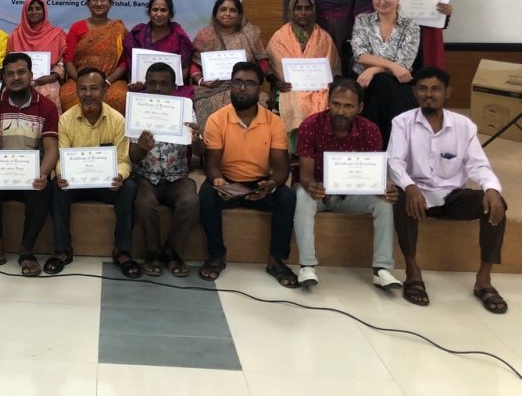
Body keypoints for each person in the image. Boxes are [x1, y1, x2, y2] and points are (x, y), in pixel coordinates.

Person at [388, 67, 508, 313]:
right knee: (400, 199)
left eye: (435, 89)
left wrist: (492, 189)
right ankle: (412, 271)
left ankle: (484, 279)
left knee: (497, 205)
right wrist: (409, 186)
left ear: (447, 92)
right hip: (417, 196)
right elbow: (394, 162)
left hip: (452, 196)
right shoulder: (402, 122)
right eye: (422, 88)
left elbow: (478, 165)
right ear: (414, 92)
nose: (428, 94)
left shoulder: (464, 126)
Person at [294, 78, 401, 290]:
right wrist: (310, 185)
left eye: (348, 106)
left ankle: (382, 269)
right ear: (328, 102)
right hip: (319, 191)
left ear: (360, 107)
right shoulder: (310, 125)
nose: (341, 111)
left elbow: (373, 173)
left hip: (352, 195)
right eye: (336, 104)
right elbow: (305, 174)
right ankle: (307, 266)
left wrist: (384, 186)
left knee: (384, 202)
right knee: (302, 196)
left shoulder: (370, 130)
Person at [198, 62, 298, 287]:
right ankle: (216, 255)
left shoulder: (274, 122)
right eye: (237, 82)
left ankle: (276, 259)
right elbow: (211, 164)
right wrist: (218, 182)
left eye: (250, 83)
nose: (242, 88)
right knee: (205, 194)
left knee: (287, 197)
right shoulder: (217, 119)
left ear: (260, 89)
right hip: (227, 183)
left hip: (259, 184)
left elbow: (282, 168)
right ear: (231, 85)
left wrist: (271, 185)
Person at [46, 67, 139, 278]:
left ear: (104, 91)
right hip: (75, 183)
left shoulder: (117, 120)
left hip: (106, 184)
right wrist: (61, 175)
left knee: (130, 186)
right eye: (83, 89)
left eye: (94, 88)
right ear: (76, 92)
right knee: (55, 187)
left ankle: (122, 251)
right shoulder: (65, 120)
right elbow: (60, 157)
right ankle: (62, 250)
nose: (88, 94)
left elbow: (124, 161)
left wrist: (119, 176)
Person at [0, 52, 59, 276]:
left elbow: (51, 150)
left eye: (21, 72)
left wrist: (42, 174)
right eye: (10, 74)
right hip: (0, 176)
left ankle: (26, 251)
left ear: (31, 75)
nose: (16, 78)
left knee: (42, 191)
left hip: (31, 176)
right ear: (4, 77)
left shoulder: (47, 107)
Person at [129, 62, 198, 278]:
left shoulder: (185, 110)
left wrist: (197, 139)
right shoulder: (136, 109)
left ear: (173, 87)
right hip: (144, 177)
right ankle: (152, 253)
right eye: (152, 83)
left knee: (190, 201)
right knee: (144, 202)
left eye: (163, 84)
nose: (157, 88)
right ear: (145, 85)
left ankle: (172, 253)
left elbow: (200, 151)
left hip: (177, 177)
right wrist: (141, 148)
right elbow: (132, 156)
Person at [351, 0, 420, 147]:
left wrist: (374, 69)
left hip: (396, 82)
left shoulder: (411, 25)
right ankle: (388, 147)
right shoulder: (362, 20)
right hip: (363, 82)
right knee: (382, 86)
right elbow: (360, 55)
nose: (381, 2)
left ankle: (377, 147)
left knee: (383, 84)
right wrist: (390, 66)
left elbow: (404, 64)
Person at [267, 0, 341, 151]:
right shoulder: (280, 37)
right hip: (289, 88)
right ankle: (296, 151)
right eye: (298, 8)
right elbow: (271, 68)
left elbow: (333, 67)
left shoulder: (323, 37)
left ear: (313, 11)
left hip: (319, 88)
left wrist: (329, 82)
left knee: (324, 100)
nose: (303, 12)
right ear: (291, 11)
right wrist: (278, 82)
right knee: (294, 100)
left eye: (307, 8)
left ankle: (317, 150)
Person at [190, 0, 269, 134]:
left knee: (261, 100)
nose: (227, 13)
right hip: (212, 88)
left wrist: (253, 81)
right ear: (215, 14)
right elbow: (195, 64)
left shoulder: (249, 34)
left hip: (244, 86)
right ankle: (211, 147)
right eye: (223, 9)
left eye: (233, 10)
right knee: (203, 104)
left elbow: (262, 60)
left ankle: (247, 144)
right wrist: (202, 82)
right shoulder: (205, 35)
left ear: (239, 15)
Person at [59, 0, 128, 114]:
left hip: (110, 80)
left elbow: (123, 63)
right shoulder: (77, 27)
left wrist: (108, 81)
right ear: (88, 4)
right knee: (68, 97)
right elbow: (68, 60)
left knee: (119, 97)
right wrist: (79, 80)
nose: (99, 3)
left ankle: (113, 133)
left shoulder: (118, 29)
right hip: (78, 78)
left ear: (111, 4)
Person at [123, 0, 195, 99]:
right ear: (149, 12)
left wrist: (171, 85)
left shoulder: (178, 35)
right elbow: (131, 64)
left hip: (171, 88)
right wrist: (134, 82)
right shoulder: (138, 33)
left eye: (163, 10)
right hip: (142, 86)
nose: (159, 14)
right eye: (155, 10)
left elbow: (185, 68)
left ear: (170, 14)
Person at [6, 0, 67, 110]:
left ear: (44, 11)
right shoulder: (15, 36)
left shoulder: (57, 34)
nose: (34, 12)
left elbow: (62, 61)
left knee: (51, 93)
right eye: (30, 9)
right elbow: (9, 61)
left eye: (38, 8)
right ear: (25, 12)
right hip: (17, 79)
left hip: (47, 80)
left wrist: (53, 77)